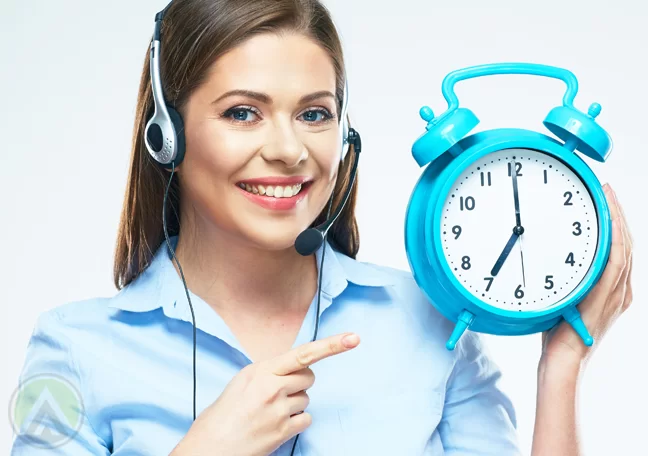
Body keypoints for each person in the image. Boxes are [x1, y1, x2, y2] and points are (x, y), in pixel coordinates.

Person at [10, 0, 634, 455]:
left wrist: (564, 367)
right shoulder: (75, 350)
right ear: (167, 134)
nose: (287, 149)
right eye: (243, 113)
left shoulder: (436, 326)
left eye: (313, 113)